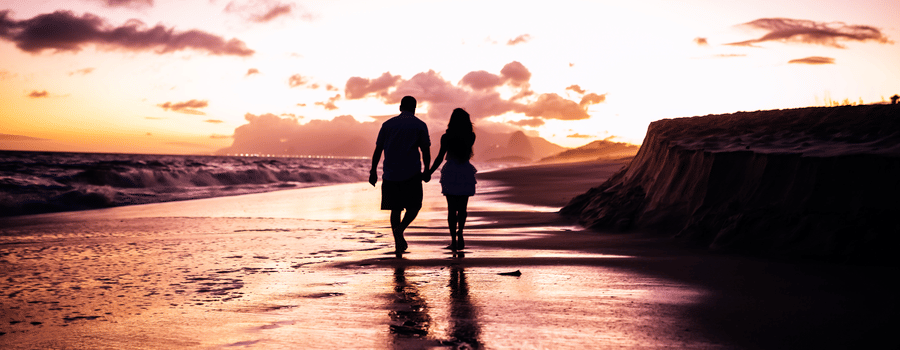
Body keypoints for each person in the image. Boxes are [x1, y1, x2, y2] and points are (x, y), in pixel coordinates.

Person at [369, 96, 431, 253]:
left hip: (390, 173)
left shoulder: (387, 124)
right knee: (415, 206)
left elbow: (378, 150)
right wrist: (427, 169)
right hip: (412, 172)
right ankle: (400, 230)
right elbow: (425, 150)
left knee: (395, 209)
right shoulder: (420, 125)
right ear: (414, 108)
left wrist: (373, 171)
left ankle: (397, 241)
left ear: (400, 107)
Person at [426, 108, 476, 251]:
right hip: (465, 170)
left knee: (451, 208)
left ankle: (453, 240)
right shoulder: (471, 136)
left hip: (451, 171)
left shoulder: (446, 137)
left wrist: (429, 172)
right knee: (463, 208)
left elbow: (440, 157)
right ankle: (460, 234)